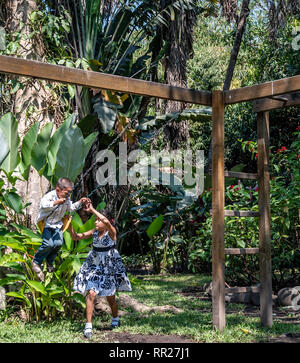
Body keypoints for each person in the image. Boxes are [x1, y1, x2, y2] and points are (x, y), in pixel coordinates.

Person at [70, 200, 132, 339]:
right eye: (96, 221)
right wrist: (68, 224)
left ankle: (115, 318)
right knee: (91, 293)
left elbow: (107, 222)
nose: (96, 222)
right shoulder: (94, 232)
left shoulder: (111, 232)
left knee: (110, 298)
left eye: (99, 220)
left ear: (107, 221)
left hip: (108, 267)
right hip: (94, 265)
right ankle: (88, 326)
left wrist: (92, 210)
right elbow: (75, 237)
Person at [32, 177, 87, 281]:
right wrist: (56, 202)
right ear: (58, 190)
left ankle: (49, 261)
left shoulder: (67, 199)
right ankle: (36, 261)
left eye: (70, 193)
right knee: (48, 244)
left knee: (58, 243)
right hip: (47, 224)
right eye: (67, 193)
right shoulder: (50, 196)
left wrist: (80, 201)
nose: (68, 195)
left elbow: (71, 208)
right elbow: (43, 205)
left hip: (57, 224)